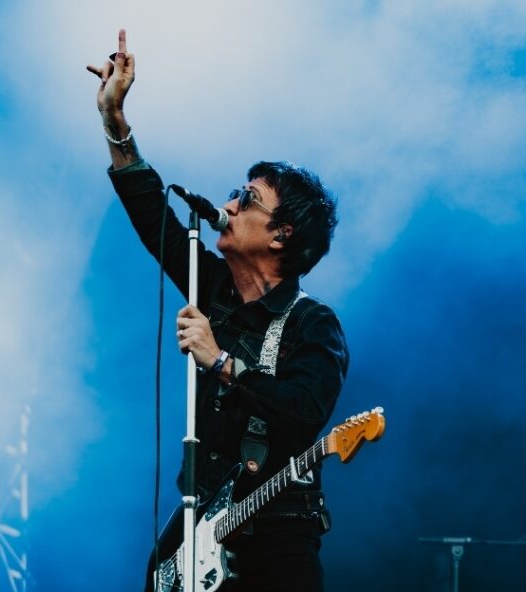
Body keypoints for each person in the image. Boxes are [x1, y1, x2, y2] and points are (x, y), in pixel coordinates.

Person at [87, 29, 348, 591]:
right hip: (201, 526)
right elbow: (152, 215)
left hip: (277, 543)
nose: (228, 205)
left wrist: (223, 362)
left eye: (247, 199)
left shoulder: (312, 324)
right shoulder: (215, 289)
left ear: (281, 234)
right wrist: (115, 119)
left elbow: (305, 412)